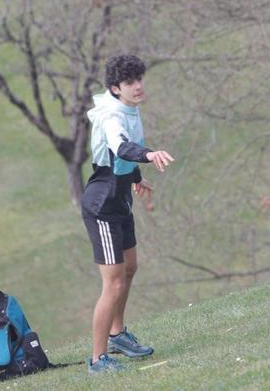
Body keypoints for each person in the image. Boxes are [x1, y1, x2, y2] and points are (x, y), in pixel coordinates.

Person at [80, 54, 174, 374]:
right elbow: (121, 148)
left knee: (130, 268)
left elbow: (121, 158)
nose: (138, 87)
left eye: (139, 80)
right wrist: (149, 155)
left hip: (120, 201)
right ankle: (97, 359)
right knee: (114, 283)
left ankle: (118, 335)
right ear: (115, 88)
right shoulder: (111, 116)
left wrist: (136, 178)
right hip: (102, 206)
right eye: (130, 83)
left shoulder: (130, 109)